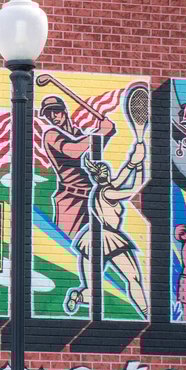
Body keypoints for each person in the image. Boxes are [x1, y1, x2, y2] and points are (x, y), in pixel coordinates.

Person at [63, 142, 148, 315]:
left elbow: (121, 178)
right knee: (133, 278)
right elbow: (133, 190)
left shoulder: (100, 190)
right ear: (107, 174)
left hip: (91, 239)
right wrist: (139, 166)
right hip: (110, 239)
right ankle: (146, 312)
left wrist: (134, 162)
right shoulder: (109, 193)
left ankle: (78, 296)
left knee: (92, 289)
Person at [39, 95, 115, 241]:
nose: (52, 116)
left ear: (64, 111)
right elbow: (73, 151)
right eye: (48, 114)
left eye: (56, 111)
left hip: (91, 198)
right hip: (71, 200)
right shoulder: (51, 135)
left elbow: (95, 153)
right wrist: (100, 132)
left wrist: (108, 132)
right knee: (67, 246)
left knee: (96, 246)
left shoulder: (79, 135)